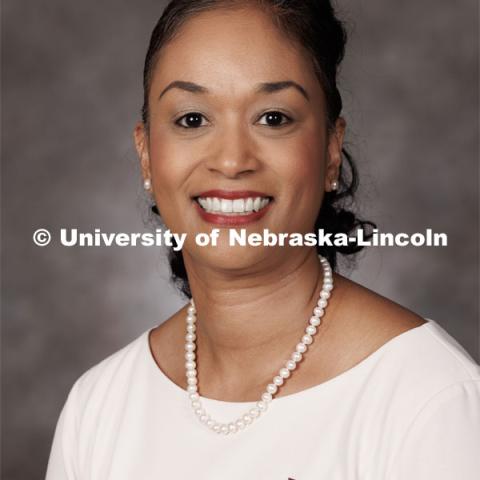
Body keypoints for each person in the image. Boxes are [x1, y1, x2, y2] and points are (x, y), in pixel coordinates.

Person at [46, 1, 480, 478]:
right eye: (192, 119)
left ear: (331, 150)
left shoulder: (430, 398)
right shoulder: (99, 406)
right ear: (147, 153)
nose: (232, 161)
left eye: (273, 118)